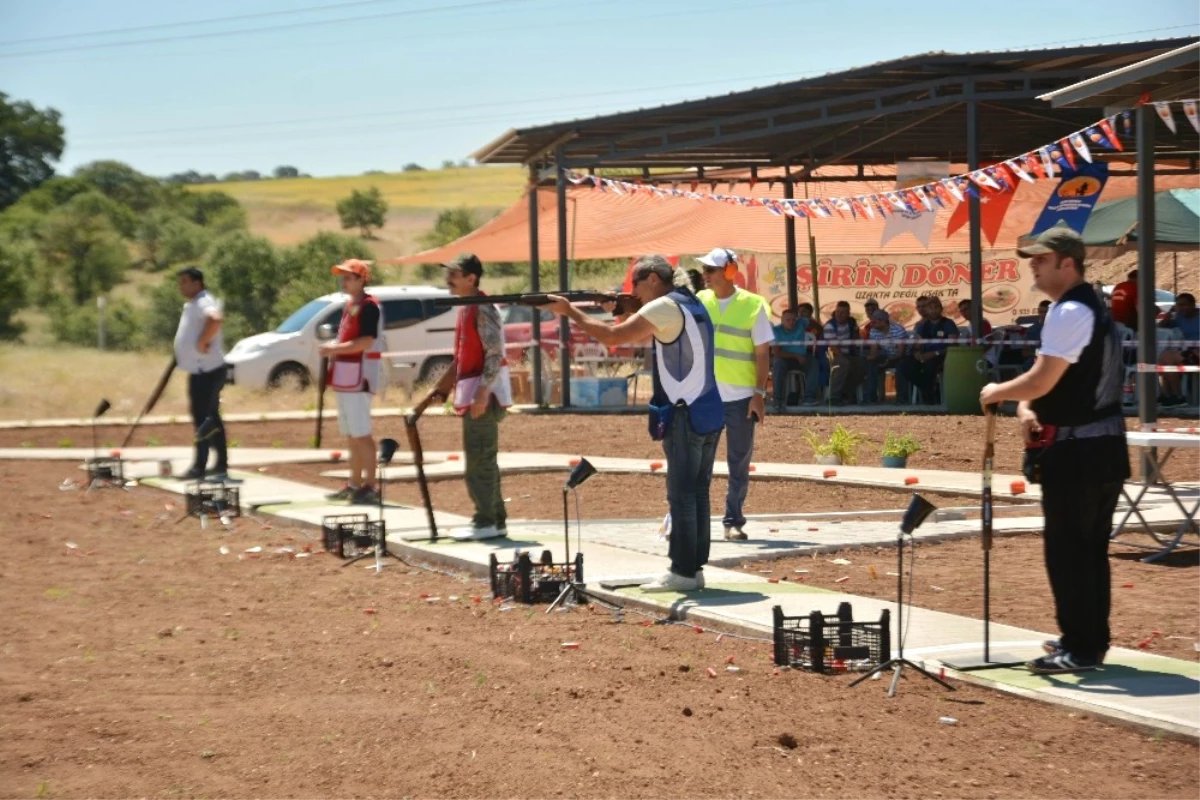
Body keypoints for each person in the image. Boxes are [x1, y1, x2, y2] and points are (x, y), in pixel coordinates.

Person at [980, 226, 1129, 674]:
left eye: (1042, 260)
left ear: (1068, 263)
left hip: (1079, 451)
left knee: (1069, 552)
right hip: (1099, 445)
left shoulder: (1068, 311)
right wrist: (1027, 407)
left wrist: (996, 391)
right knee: (1087, 550)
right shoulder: (1087, 309)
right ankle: (1086, 639)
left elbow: (1043, 379)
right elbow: (1049, 380)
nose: (1034, 266)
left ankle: (1081, 647)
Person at [541, 255, 723, 592]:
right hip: (708, 409)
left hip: (684, 412)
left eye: (636, 286)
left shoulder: (663, 307)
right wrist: (619, 308)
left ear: (652, 279)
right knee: (697, 493)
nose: (634, 293)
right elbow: (645, 328)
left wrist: (570, 312)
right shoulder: (691, 302)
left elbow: (612, 339)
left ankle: (683, 572)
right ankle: (693, 569)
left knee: (681, 495)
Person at [421, 253, 513, 540]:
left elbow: (494, 354)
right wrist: (443, 386)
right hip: (478, 394)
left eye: (454, 273)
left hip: (484, 397)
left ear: (471, 278)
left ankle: (486, 521)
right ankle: (493, 520)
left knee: (480, 461)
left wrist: (483, 392)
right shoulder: (467, 308)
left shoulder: (482, 308)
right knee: (482, 459)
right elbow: (461, 358)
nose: (448, 279)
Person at [696, 248, 773, 541]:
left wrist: (758, 394)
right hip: (706, 397)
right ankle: (693, 519)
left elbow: (763, 353)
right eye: (705, 269)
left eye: (711, 269)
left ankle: (733, 521)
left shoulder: (753, 305)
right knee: (699, 462)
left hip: (741, 399)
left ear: (729, 272)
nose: (706, 275)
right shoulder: (700, 301)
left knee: (738, 463)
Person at [321, 259, 385, 505]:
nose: (344, 281)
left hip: (360, 376)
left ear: (362, 279)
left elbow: (365, 342)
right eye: (343, 277)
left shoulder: (369, 306)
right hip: (347, 376)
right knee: (351, 434)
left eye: (349, 277)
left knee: (361, 434)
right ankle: (355, 483)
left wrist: (333, 349)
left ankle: (370, 485)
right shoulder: (351, 305)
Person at [174, 266, 229, 481]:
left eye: (185, 282)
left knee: (203, 418)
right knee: (211, 418)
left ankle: (200, 466)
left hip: (207, 370)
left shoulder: (204, 301)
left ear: (197, 283)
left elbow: (215, 319)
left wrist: (202, 341)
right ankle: (220, 464)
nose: (181, 287)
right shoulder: (195, 303)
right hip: (201, 370)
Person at [898, 296, 958, 404]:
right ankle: (928, 390)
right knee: (904, 365)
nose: (933, 310)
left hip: (943, 356)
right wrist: (916, 353)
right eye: (930, 308)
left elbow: (952, 345)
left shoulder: (948, 324)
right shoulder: (923, 325)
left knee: (929, 366)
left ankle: (930, 394)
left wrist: (935, 353)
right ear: (927, 310)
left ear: (941, 309)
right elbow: (917, 344)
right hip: (924, 355)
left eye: (936, 307)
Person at [1156, 292, 1200, 407]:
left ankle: (1178, 397)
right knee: (1164, 358)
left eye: (1183, 305)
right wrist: (1168, 315)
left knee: (1168, 357)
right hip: (1186, 352)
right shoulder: (1179, 317)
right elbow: (1160, 328)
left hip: (1197, 354)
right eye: (1178, 305)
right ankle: (1169, 395)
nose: (1181, 308)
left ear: (1193, 305)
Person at [771, 307, 819, 409]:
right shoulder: (776, 331)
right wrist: (796, 355)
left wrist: (816, 329)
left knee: (814, 363)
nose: (791, 322)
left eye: (793, 320)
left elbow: (816, 325)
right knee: (778, 364)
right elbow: (776, 352)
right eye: (788, 320)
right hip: (785, 358)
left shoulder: (801, 322)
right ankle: (777, 400)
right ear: (782, 320)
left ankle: (809, 398)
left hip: (802, 357)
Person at [823, 300, 866, 404]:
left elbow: (856, 335)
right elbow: (832, 347)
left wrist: (855, 335)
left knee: (864, 364)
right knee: (844, 363)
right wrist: (845, 357)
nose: (840, 314)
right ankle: (834, 398)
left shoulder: (851, 322)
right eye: (838, 312)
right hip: (833, 355)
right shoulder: (829, 326)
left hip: (849, 353)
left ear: (848, 314)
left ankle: (846, 392)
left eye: (843, 312)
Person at [864, 309, 907, 403]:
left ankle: (902, 397)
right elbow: (874, 353)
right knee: (872, 364)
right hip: (886, 355)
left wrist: (889, 360)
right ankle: (871, 397)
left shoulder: (898, 330)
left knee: (901, 366)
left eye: (874, 321)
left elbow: (901, 353)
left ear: (883, 321)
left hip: (899, 357)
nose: (872, 323)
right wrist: (866, 358)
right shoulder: (873, 331)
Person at [1023, 300, 1052, 371]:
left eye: (1046, 312)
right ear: (1038, 312)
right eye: (1041, 312)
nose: (1043, 315)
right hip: (1035, 362)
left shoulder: (1060, 328)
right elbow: (1025, 353)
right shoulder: (1032, 330)